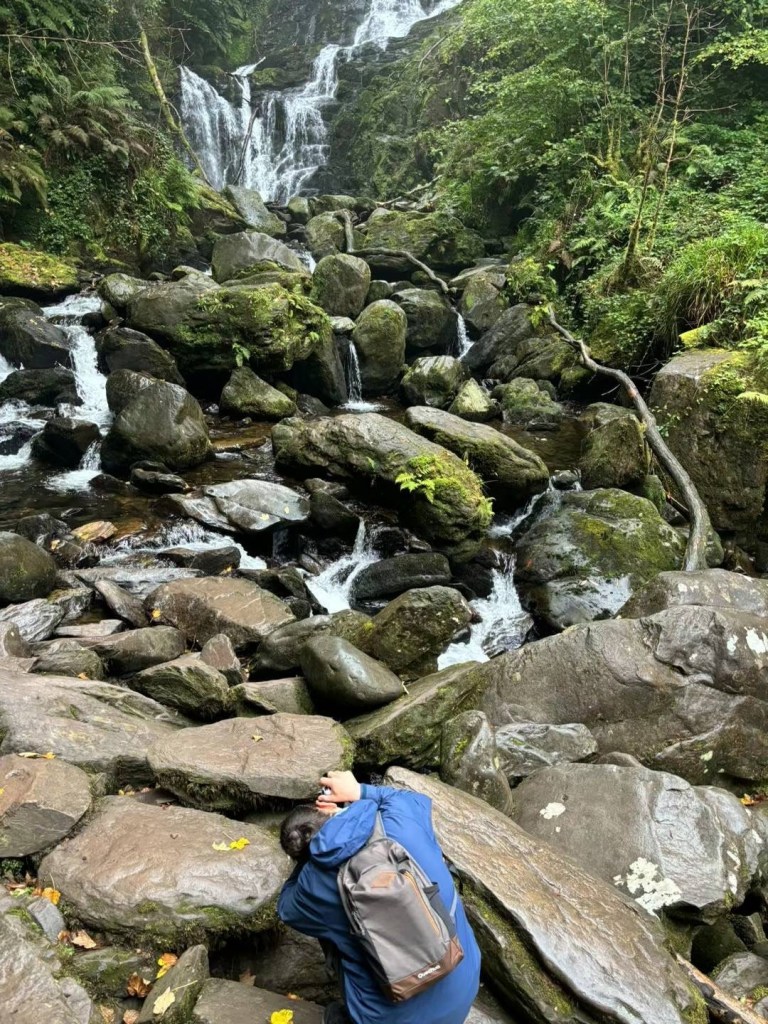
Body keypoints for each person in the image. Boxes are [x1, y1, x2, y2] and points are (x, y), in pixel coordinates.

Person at [278, 770, 481, 1024]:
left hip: (392, 1019)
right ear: (328, 807)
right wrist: (360, 793)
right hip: (464, 981)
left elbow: (285, 907)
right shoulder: (398, 815)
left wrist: (309, 859)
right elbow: (416, 798)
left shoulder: (311, 887)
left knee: (338, 938)